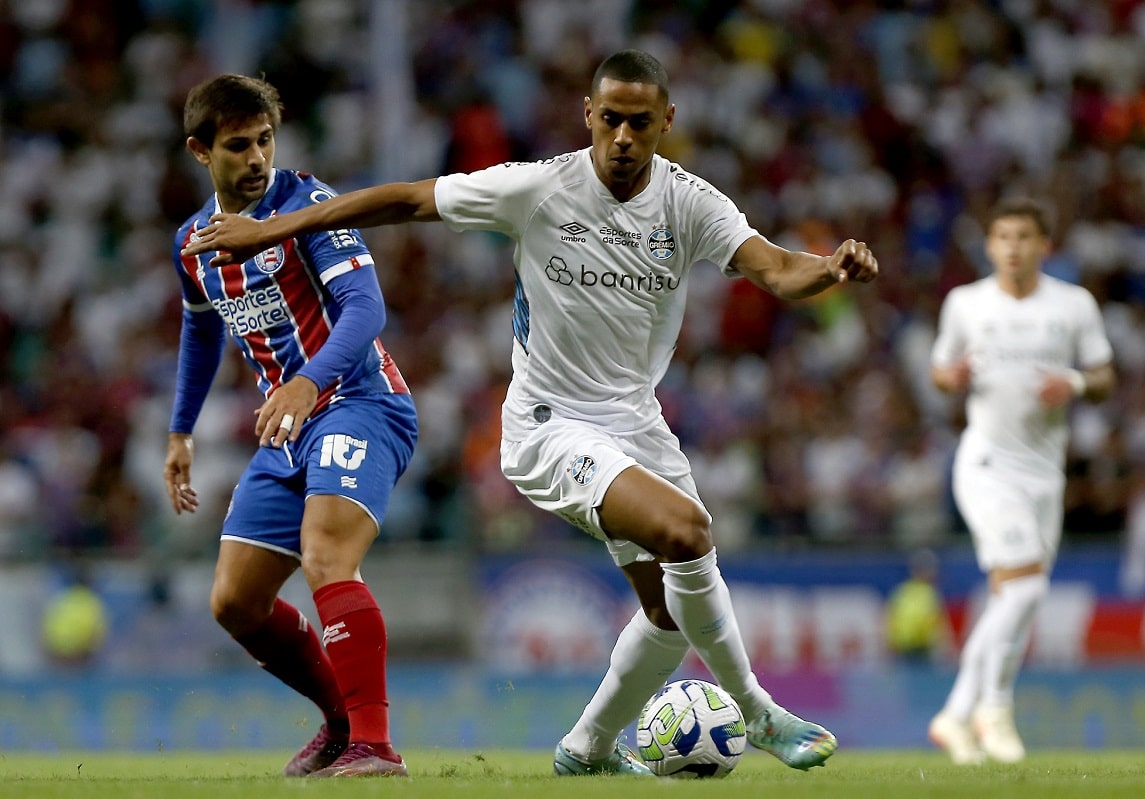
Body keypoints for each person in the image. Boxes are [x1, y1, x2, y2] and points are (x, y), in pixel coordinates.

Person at [183, 50, 878, 776]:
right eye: (609, 119)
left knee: (670, 611)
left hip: (637, 422)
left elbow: (773, 265)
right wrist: (277, 229)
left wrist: (826, 269)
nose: (623, 137)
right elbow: (408, 200)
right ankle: (760, 711)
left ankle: (587, 748)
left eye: (640, 123)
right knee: (687, 531)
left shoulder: (690, 202)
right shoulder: (540, 187)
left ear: (666, 122)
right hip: (551, 424)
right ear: (588, 115)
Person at [164, 75, 418, 778]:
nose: (256, 158)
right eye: (238, 145)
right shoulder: (194, 243)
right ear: (199, 151)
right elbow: (200, 332)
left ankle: (376, 745)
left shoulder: (309, 207)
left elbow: (366, 310)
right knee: (235, 601)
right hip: (287, 426)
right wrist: (180, 430)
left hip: (362, 402)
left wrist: (309, 382)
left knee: (326, 555)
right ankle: (340, 722)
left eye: (265, 140)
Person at [927, 196, 1115, 764]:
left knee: (1016, 598)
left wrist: (1076, 385)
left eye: (1024, 237)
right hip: (986, 465)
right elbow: (939, 371)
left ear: (1044, 246)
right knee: (1027, 587)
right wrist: (950, 377)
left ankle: (955, 715)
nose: (1013, 248)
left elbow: (1104, 373)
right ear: (990, 246)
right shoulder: (965, 303)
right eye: (1003, 237)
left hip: (1043, 475)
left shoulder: (1073, 305)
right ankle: (993, 709)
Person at [885, 548, 949, 664]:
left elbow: (890, 620)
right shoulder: (929, 593)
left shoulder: (901, 591)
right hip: (913, 649)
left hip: (914, 648)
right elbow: (938, 623)